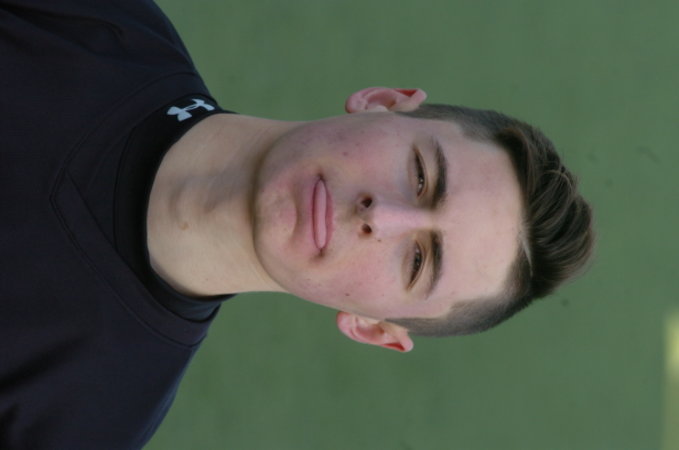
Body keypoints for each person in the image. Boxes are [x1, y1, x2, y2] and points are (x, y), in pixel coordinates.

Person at [0, 0, 593, 448]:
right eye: (419, 175)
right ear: (384, 102)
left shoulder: (83, 423)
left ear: (373, 328)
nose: (382, 216)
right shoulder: (95, 19)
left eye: (417, 260)